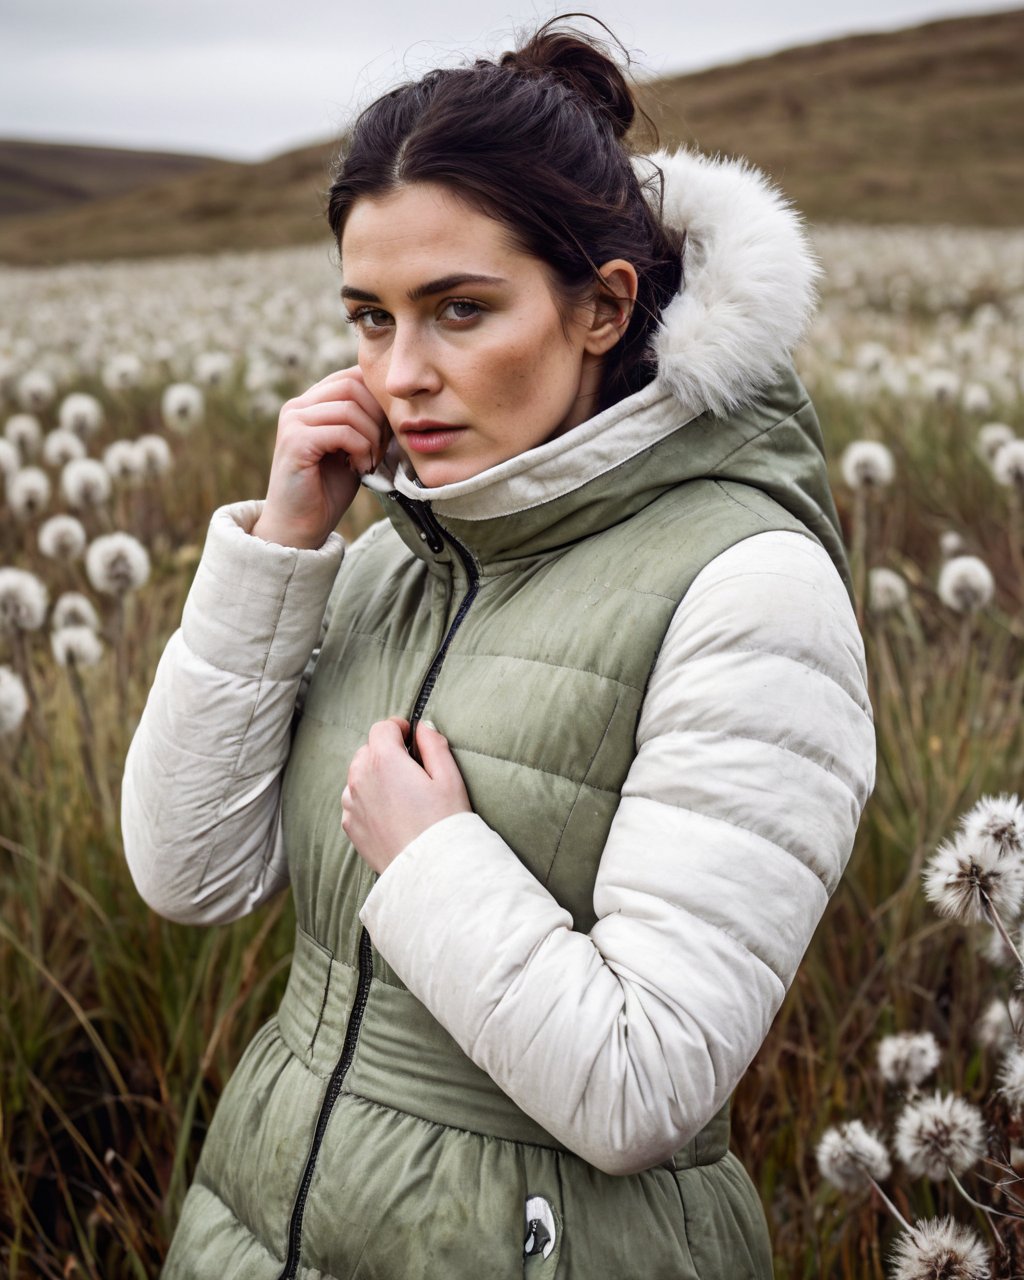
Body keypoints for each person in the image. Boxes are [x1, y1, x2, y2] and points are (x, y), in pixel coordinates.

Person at [122, 16, 875, 1279]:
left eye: (458, 311)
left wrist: (431, 858)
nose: (401, 374)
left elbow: (645, 1085)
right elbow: (185, 874)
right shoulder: (382, 562)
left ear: (601, 307)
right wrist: (281, 547)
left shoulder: (750, 589)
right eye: (369, 319)